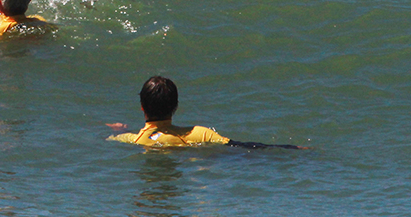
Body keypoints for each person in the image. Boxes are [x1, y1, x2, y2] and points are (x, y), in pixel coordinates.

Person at [107, 76, 306, 149]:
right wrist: (291, 148)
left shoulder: (133, 140)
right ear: (176, 106)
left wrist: (115, 131)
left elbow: (106, 139)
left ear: (141, 106)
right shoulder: (200, 134)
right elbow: (242, 146)